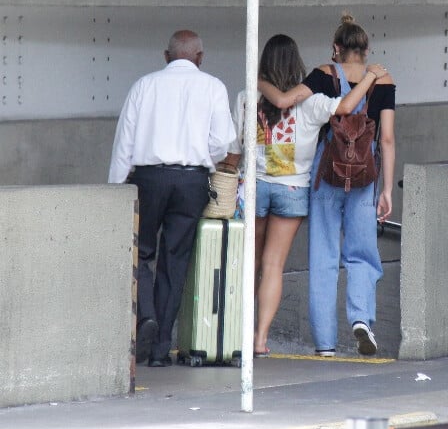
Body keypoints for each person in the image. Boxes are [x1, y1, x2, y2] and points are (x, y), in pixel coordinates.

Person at [223, 33, 388, 357]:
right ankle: (260, 340)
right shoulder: (311, 102)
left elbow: (234, 150)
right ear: (296, 64)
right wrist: (370, 76)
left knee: (250, 264)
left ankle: (239, 335)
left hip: (254, 186)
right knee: (273, 265)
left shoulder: (247, 96)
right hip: (293, 188)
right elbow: (345, 106)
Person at [108, 29, 236, 367]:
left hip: (148, 178)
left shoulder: (144, 85)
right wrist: (202, 159)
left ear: (166, 56)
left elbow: (125, 143)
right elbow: (222, 144)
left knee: (141, 251)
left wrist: (115, 186)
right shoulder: (213, 87)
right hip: (192, 181)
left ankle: (145, 315)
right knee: (175, 260)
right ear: (199, 58)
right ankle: (161, 348)